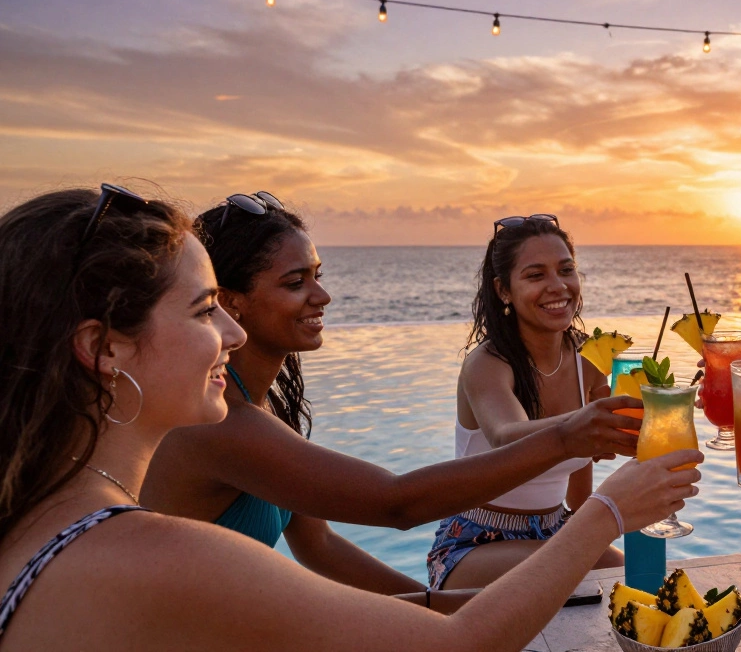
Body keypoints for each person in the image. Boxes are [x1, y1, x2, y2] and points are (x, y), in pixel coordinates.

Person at [0, 185, 701, 651]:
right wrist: (605, 509)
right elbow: (400, 517)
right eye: (201, 309)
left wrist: (418, 609)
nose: (231, 335)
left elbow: (320, 548)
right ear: (100, 347)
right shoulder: (152, 545)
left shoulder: (46, 515)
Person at [143, 194, 641, 605]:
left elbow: (318, 545)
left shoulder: (260, 404)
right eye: (297, 282)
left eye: (318, 274)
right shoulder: (216, 421)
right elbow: (396, 502)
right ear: (230, 302)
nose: (323, 296)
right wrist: (568, 438)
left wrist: (431, 607)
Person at [428, 214, 621, 590]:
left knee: (635, 580)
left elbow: (579, 497)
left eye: (566, 270)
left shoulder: (589, 359)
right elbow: (506, 435)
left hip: (556, 535)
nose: (558, 286)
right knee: (576, 571)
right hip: (475, 545)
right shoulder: (487, 363)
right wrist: (584, 423)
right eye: (536, 276)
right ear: (504, 291)